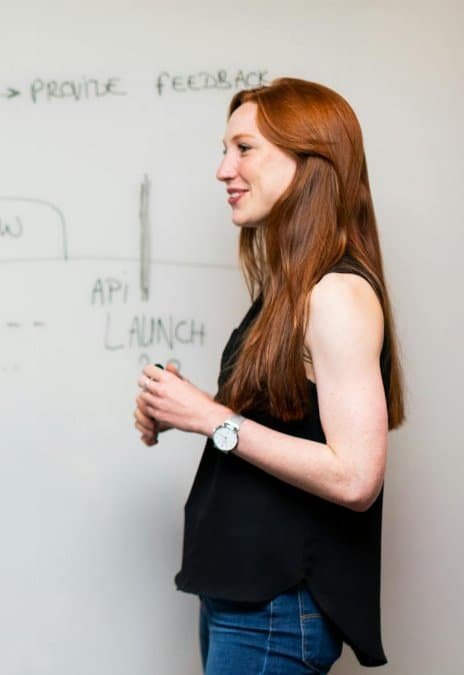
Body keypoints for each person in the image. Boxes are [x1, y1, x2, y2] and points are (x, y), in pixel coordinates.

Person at [134, 78, 404, 673]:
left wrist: (212, 419)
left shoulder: (337, 294)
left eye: (244, 148)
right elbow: (283, 428)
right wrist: (185, 409)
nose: (223, 170)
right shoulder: (291, 292)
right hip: (246, 603)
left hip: (276, 612)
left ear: (310, 162)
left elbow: (357, 478)